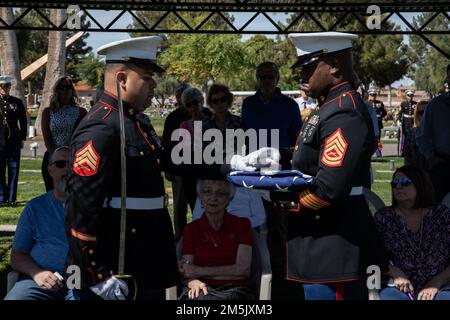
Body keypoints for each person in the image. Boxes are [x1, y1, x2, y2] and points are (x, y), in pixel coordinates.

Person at [65, 36, 179, 300]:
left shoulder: (136, 123)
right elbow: (80, 209)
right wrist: (95, 275)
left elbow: (170, 162)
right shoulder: (102, 128)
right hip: (116, 271)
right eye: (147, 77)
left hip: (143, 262)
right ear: (122, 79)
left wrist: (231, 163)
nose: (153, 85)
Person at [278, 31, 388, 300]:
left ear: (335, 66)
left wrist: (283, 199)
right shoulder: (329, 105)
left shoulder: (344, 110)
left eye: (308, 68)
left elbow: (328, 188)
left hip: (336, 242)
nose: (302, 76)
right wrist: (275, 157)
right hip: (322, 240)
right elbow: (309, 156)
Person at [241, 62, 302, 299]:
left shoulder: (289, 105)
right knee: (256, 221)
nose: (266, 81)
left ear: (278, 78)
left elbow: (298, 138)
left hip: (281, 173)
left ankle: (282, 272)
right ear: (256, 78)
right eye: (262, 77)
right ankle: (256, 265)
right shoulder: (248, 104)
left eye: (270, 77)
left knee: (280, 224)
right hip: (254, 173)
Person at [374, 165, 450, 300]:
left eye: (404, 182)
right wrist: (393, 272)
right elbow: (371, 253)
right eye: (394, 183)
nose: (398, 187)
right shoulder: (384, 217)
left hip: (441, 285)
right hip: (397, 286)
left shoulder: (442, 215)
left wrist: (437, 282)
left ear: (420, 185)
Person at [4, 147, 69, 300]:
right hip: (38, 280)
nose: (67, 169)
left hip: (80, 281)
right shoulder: (35, 207)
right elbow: (17, 255)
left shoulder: (92, 208)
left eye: (72, 164)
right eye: (60, 164)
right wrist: (37, 273)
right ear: (50, 170)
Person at [178, 179, 255, 300]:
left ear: (229, 200)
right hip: (201, 287)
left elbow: (242, 270)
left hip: (235, 289)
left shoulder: (242, 225)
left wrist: (197, 271)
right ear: (201, 199)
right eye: (207, 192)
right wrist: (192, 281)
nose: (213, 198)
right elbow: (187, 269)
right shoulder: (191, 229)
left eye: (221, 193)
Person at [41, 75, 87, 192]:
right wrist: (56, 157)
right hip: (53, 157)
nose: (65, 90)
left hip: (74, 158)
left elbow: (82, 137)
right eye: (62, 87)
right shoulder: (48, 112)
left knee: (73, 194)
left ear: (72, 90)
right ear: (57, 91)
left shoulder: (81, 112)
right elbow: (47, 137)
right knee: (52, 193)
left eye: (68, 87)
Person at [415, 64, 450, 202]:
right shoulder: (435, 105)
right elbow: (421, 135)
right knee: (438, 210)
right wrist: (431, 157)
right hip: (442, 165)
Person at [162, 83, 192, 241]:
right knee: (179, 208)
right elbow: (166, 145)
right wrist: (167, 169)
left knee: (200, 206)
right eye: (180, 96)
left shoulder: (203, 114)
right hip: (179, 170)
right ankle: (180, 238)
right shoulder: (172, 118)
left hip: (199, 169)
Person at [0, 75, 27, 206]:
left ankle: (11, 198)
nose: (4, 88)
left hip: (13, 140)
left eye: (7, 86)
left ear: (10, 87)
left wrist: (22, 137)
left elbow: (23, 121)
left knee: (13, 169)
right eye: (2, 86)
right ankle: (1, 197)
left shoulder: (17, 102)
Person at [398, 89, 417, 163]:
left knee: (412, 138)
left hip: (412, 122)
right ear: (406, 96)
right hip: (405, 122)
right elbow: (400, 112)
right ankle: (404, 152)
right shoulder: (403, 103)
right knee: (405, 138)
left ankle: (412, 152)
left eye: (411, 95)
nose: (410, 97)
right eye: (409, 95)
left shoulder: (415, 104)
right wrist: (399, 120)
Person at [367, 86, 386, 158]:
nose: (373, 96)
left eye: (374, 95)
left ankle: (378, 154)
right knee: (368, 139)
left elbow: (384, 113)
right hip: (369, 124)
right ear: (369, 95)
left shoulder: (380, 103)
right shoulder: (366, 103)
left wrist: (380, 117)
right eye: (372, 94)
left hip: (378, 123)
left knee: (377, 139)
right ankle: (368, 153)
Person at [409, 100, 428, 168]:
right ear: (417, 114)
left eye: (426, 112)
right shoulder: (413, 132)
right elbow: (409, 156)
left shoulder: (437, 132)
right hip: (417, 167)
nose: (424, 115)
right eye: (421, 112)